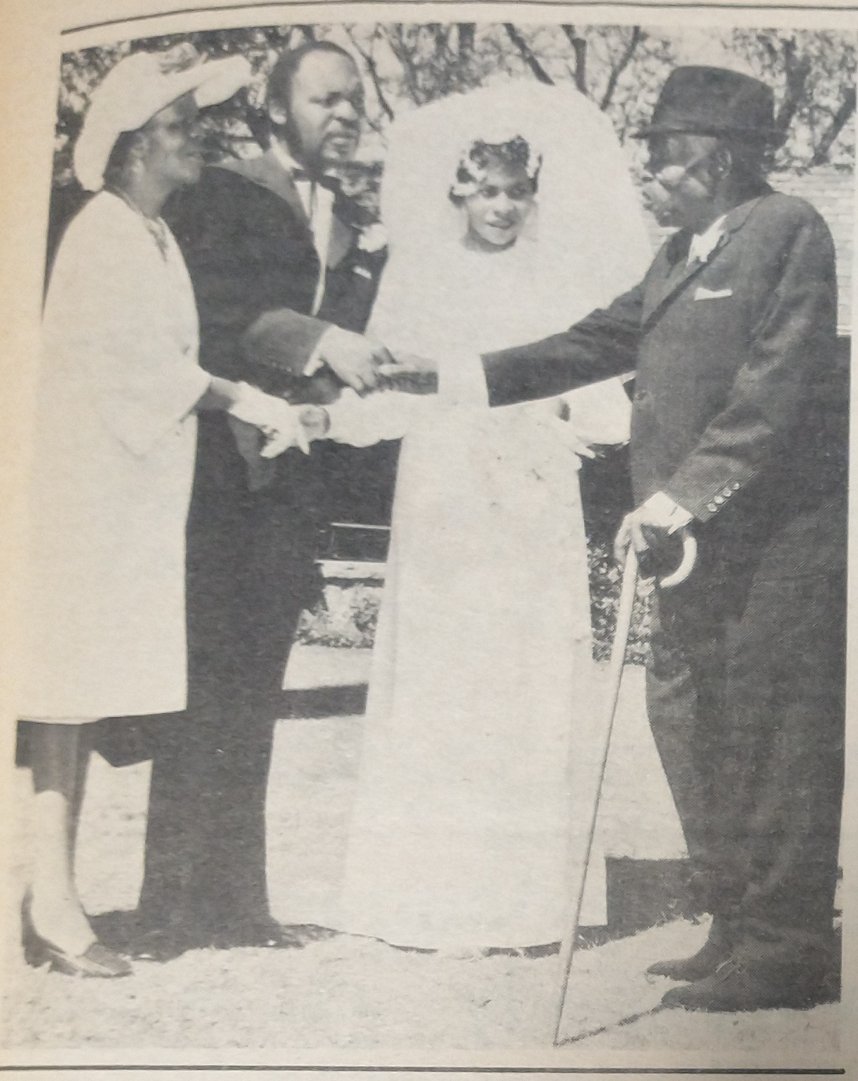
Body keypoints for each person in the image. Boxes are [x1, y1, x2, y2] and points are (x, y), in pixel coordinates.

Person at [397, 67, 847, 1009]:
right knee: (690, 723)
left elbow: (775, 387)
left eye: (665, 159)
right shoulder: (681, 252)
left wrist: (683, 495)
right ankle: (733, 919)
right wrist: (447, 375)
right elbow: (592, 343)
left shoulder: (787, 231)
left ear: (715, 161)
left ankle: (789, 945)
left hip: (768, 547)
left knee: (772, 735)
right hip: (687, 549)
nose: (649, 176)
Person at [305, 83, 674, 952]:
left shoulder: (555, 276)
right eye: (486, 190)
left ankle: (521, 902)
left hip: (531, 493)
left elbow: (591, 387)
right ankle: (426, 895)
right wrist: (333, 416)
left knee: (520, 678)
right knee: (446, 676)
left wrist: (575, 422)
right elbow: (385, 389)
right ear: (457, 193)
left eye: (517, 190)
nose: (503, 207)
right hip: (445, 493)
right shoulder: (421, 274)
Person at [16, 45, 318, 977]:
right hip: (79, 503)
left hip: (121, 500)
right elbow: (149, 372)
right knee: (58, 706)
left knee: (70, 710)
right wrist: (256, 401)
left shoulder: (149, 230)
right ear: (137, 145)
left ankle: (47, 899)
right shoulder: (106, 232)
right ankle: (51, 907)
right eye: (182, 128)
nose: (200, 140)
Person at [135, 41, 389, 959]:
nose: (348, 114)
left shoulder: (357, 219)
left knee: (256, 694)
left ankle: (238, 904)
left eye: (356, 100)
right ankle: (165, 905)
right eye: (327, 99)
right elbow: (220, 315)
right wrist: (326, 339)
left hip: (292, 484)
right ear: (278, 109)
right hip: (220, 475)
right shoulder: (228, 190)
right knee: (200, 689)